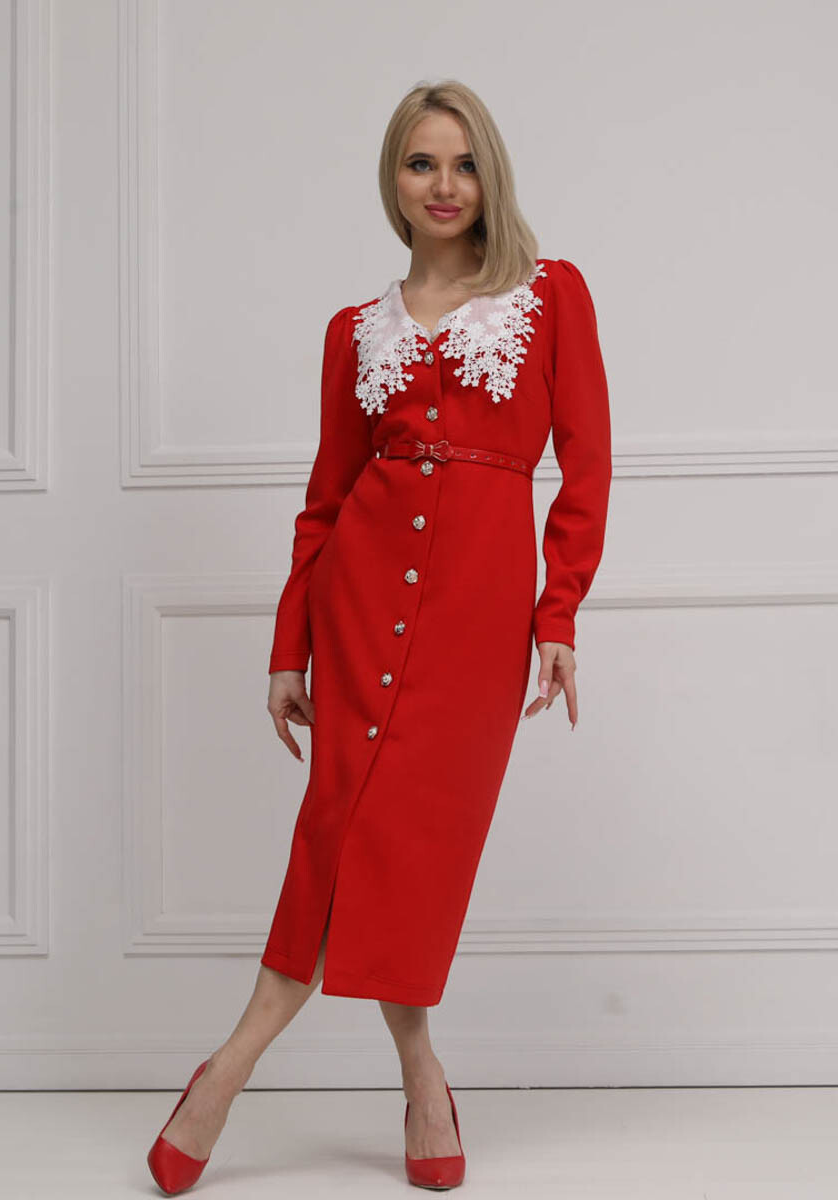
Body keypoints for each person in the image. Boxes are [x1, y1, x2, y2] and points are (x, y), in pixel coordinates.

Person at [146, 78, 612, 1195]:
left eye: (463, 163)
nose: (444, 185)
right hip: (358, 605)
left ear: (490, 173)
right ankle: (351, 1080)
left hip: (476, 621)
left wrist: (558, 613)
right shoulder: (353, 332)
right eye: (421, 163)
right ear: (393, 181)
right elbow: (325, 500)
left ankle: (256, 1070)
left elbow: (587, 467)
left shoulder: (552, 294)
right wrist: (288, 648)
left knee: (413, 846)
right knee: (339, 828)